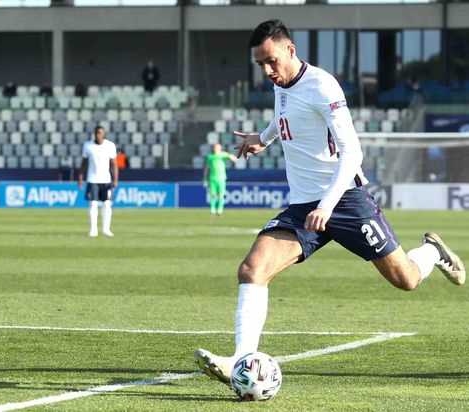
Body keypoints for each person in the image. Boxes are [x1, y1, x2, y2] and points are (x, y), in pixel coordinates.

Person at [194, 19, 465, 387]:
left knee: (406, 279)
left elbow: (352, 152)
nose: (267, 71)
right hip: (304, 206)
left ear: (291, 50)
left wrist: (328, 204)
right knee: (251, 270)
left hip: (348, 201)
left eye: (271, 60)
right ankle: (241, 362)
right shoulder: (282, 84)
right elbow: (285, 115)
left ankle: (433, 252)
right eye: (260, 64)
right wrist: (264, 137)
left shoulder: (322, 86)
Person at [78, 126, 118, 237]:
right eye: (96, 133)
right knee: (93, 204)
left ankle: (106, 229)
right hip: (93, 179)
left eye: (100, 133)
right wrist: (80, 177)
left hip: (106, 179)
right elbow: (84, 163)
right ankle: (93, 230)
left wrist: (115, 179)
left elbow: (114, 164)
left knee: (107, 203)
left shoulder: (110, 146)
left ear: (103, 134)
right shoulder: (88, 146)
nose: (97, 135)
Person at [203, 143, 237, 216]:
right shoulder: (210, 156)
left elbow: (230, 156)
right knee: (212, 195)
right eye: (215, 148)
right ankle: (212, 210)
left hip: (221, 178)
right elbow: (206, 167)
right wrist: (204, 178)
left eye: (218, 148)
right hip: (212, 178)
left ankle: (219, 210)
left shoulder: (222, 155)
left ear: (220, 148)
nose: (216, 149)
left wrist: (233, 158)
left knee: (220, 195)